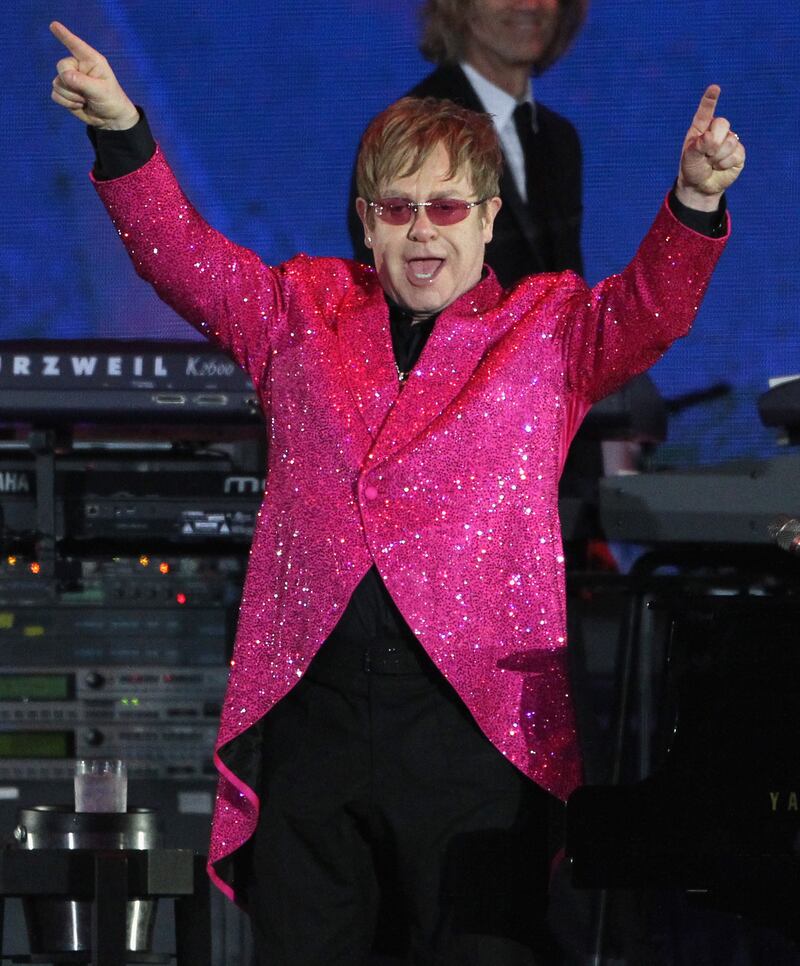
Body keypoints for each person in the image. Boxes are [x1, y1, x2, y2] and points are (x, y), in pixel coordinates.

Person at [49, 20, 744, 965]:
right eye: (399, 207)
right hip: (315, 718)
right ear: (367, 222)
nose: (423, 231)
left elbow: (653, 306)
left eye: (449, 208)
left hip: (472, 731)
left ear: (492, 217)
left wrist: (696, 199)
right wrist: (123, 130)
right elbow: (182, 257)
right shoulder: (298, 310)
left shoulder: (548, 332)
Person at [348, 0, 589, 282]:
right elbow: (389, 291)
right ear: (457, 6)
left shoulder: (560, 139)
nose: (529, 4)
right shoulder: (405, 136)